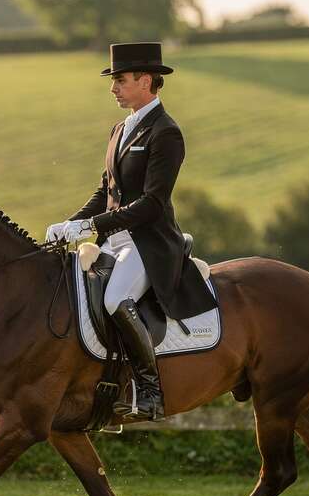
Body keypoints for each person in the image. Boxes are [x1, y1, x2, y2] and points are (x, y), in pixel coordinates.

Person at [46, 42, 218, 422]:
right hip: (116, 240)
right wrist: (70, 223)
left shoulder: (165, 132)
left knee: (114, 300)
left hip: (149, 241)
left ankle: (150, 390)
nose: (113, 88)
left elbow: (153, 204)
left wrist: (91, 226)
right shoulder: (120, 129)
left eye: (120, 80)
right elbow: (106, 192)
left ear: (145, 80)